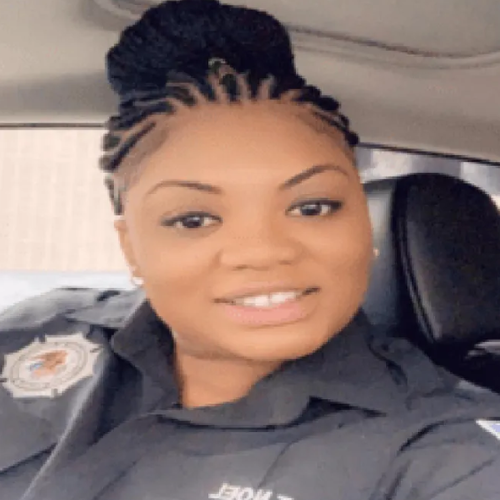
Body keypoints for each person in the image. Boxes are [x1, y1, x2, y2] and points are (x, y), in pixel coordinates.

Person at [1, 1, 499, 499]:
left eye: (312, 207)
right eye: (194, 220)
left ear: (363, 226)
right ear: (131, 247)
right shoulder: (36, 331)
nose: (262, 252)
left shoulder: (446, 455)